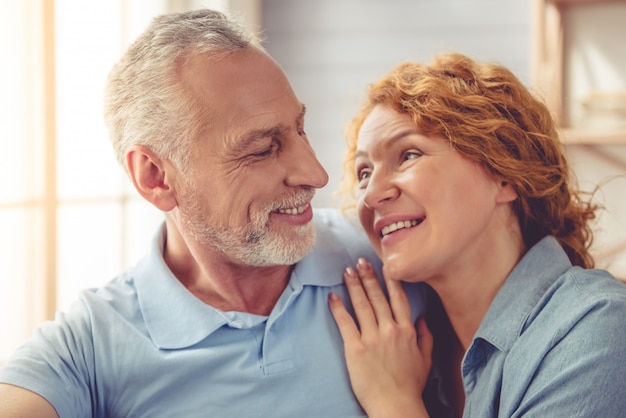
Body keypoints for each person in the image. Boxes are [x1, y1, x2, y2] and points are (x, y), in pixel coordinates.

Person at [0, 9, 427, 417]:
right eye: (262, 148)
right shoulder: (90, 344)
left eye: (300, 129)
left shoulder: (388, 253)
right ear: (155, 178)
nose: (315, 174)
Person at [328, 52, 626, 417]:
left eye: (408, 155)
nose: (372, 195)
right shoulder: (406, 346)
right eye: (363, 173)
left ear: (505, 173)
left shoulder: (596, 327)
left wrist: (394, 402)